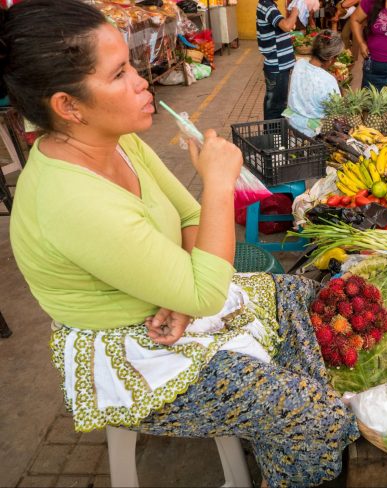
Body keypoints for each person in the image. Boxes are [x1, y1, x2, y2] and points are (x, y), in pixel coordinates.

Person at [3, 1, 359, 486]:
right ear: (68, 106)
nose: (141, 82)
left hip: (171, 303)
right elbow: (206, 283)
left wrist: (188, 295)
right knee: (316, 416)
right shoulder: (69, 200)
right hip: (133, 348)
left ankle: (288, 440)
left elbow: (191, 218)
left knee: (304, 298)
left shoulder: (118, 140)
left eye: (131, 64)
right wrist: (218, 183)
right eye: (119, 74)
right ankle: (301, 433)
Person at [283, 30, 344, 136]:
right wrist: (340, 87)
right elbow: (337, 111)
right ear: (330, 59)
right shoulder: (329, 80)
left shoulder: (299, 64)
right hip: (313, 133)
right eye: (336, 57)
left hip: (292, 125)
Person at [257, 0, 300, 120]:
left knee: (276, 104)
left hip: (279, 66)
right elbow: (286, 26)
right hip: (277, 66)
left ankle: (274, 136)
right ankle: (273, 137)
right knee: (276, 107)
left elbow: (281, 27)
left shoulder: (269, 5)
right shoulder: (267, 6)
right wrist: (295, 11)